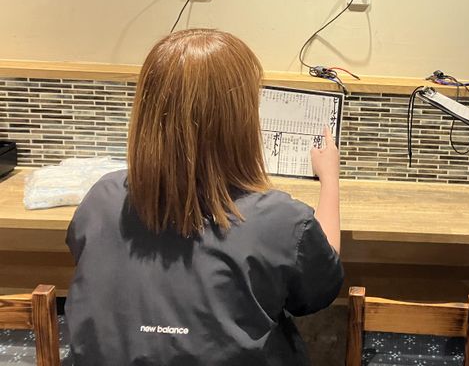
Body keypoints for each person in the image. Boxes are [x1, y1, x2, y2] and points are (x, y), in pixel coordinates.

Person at [65, 29, 343, 365]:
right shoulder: (280, 220)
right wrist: (330, 180)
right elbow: (319, 289)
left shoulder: (102, 199)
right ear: (241, 119)